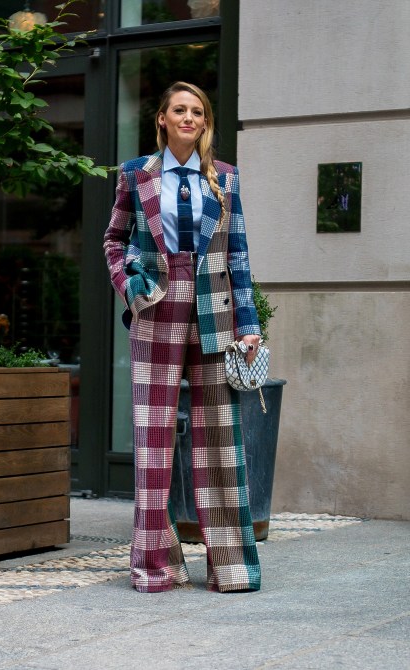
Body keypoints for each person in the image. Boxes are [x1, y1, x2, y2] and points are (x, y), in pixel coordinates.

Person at [104, 81, 262, 593]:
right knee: (153, 442)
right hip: (156, 309)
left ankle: (231, 568)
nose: (189, 117)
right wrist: (131, 287)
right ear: (163, 119)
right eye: (180, 110)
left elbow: (238, 255)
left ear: (204, 122)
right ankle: (156, 566)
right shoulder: (136, 174)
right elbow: (114, 239)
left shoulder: (226, 178)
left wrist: (249, 325)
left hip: (215, 313)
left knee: (220, 443)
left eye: (197, 111)